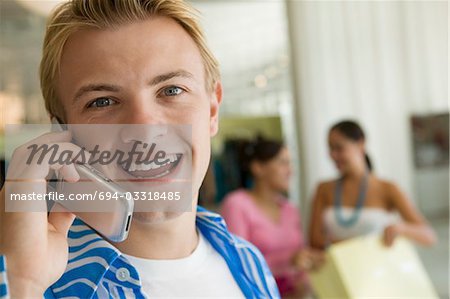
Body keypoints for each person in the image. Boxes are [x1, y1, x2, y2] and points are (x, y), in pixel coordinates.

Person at [0, 0, 280, 298]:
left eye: (171, 90)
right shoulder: (34, 280)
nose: (144, 130)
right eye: (102, 101)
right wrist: (21, 284)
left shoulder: (249, 261)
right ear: (63, 133)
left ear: (212, 111)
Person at [309, 120, 437, 249]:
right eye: (330, 149)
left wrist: (402, 229)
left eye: (339, 148)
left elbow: (429, 236)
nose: (333, 155)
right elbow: (314, 242)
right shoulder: (323, 189)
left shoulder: (387, 188)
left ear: (361, 144)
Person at [221, 137, 323, 298]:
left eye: (290, 163)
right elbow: (238, 263)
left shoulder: (290, 209)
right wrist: (288, 261)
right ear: (258, 168)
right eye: (283, 163)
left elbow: (300, 262)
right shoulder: (236, 204)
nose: (290, 170)